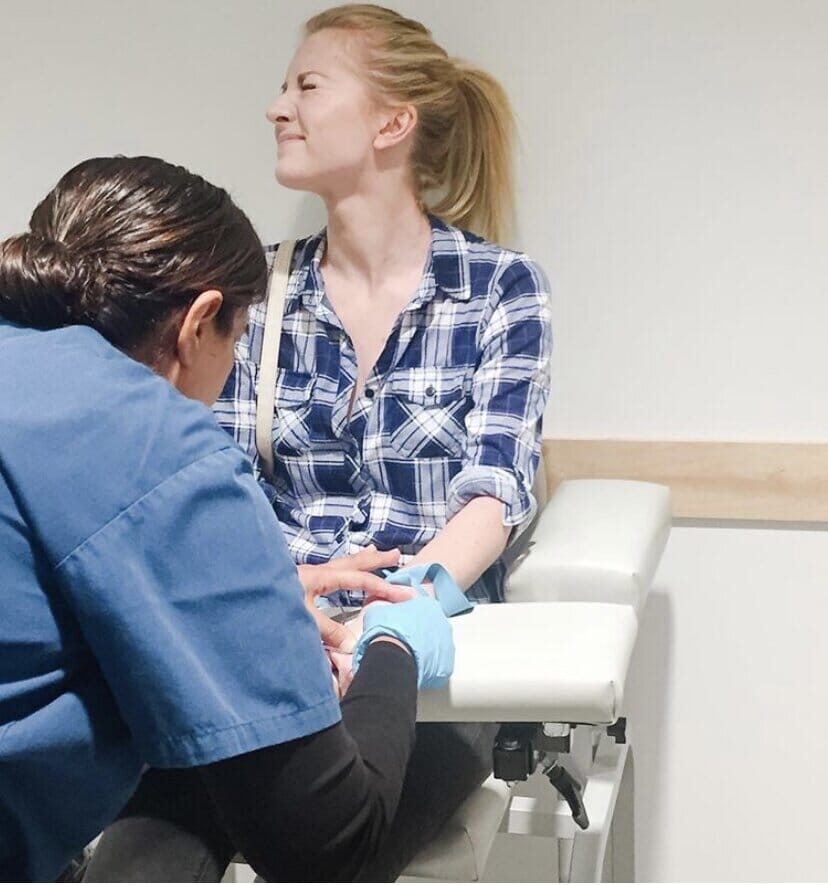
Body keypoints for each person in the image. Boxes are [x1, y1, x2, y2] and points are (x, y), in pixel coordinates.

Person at [92, 3, 553, 880]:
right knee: (138, 862)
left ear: (393, 121)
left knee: (320, 858)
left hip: (422, 663)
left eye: (307, 85)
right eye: (281, 88)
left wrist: (405, 611)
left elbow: (494, 489)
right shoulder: (248, 290)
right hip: (269, 643)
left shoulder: (501, 290)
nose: (278, 106)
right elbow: (211, 483)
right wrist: (281, 611)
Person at [0, 155, 457, 883]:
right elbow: (326, 842)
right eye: (240, 341)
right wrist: (397, 644)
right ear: (199, 322)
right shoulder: (159, 441)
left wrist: (247, 599)